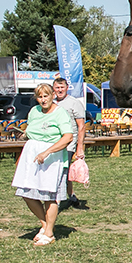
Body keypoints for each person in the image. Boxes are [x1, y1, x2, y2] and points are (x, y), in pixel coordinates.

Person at [11, 84, 75, 246]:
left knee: (50, 197)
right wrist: (23, 135)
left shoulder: (60, 113)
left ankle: (49, 233)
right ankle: (45, 224)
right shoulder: (34, 111)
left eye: (46, 96)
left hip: (52, 158)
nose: (43, 100)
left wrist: (47, 152)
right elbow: (32, 131)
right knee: (26, 192)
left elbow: (67, 137)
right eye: (40, 97)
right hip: (32, 156)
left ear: (53, 95)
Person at [52, 77, 86, 210]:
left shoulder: (74, 103)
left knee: (62, 171)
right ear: (53, 89)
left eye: (62, 87)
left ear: (67, 88)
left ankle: (57, 201)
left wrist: (79, 147)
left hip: (68, 143)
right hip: (54, 142)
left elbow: (81, 126)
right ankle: (71, 195)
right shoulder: (52, 103)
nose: (60, 90)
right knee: (57, 170)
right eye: (57, 88)